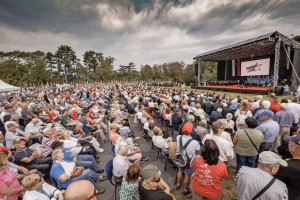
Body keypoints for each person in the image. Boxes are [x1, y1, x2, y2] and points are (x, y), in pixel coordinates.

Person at [175, 123, 200, 195]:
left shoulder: (178, 137)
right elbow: (198, 149)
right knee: (187, 175)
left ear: (182, 130)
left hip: (179, 159)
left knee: (180, 171)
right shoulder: (194, 142)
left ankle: (178, 185)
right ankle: (185, 189)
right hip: (189, 162)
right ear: (191, 131)